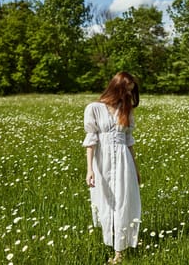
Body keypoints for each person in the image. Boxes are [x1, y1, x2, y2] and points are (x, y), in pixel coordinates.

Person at [82, 71, 141, 264]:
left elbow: (129, 141)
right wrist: (89, 169)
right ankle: (111, 240)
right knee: (106, 202)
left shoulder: (126, 110)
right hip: (103, 162)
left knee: (123, 202)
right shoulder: (94, 108)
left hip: (124, 162)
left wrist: (136, 168)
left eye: (130, 92)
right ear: (116, 87)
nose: (128, 96)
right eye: (126, 91)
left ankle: (119, 252)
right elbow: (91, 141)